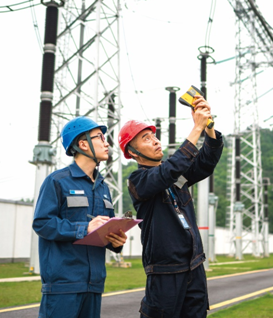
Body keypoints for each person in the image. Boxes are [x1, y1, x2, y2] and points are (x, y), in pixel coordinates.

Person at [118, 96, 223, 317]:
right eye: (146, 139)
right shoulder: (138, 181)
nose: (156, 141)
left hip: (194, 266)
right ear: (134, 153)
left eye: (154, 136)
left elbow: (205, 163)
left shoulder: (175, 175)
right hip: (165, 271)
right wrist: (196, 128)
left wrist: (209, 127)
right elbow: (168, 171)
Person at [33, 116, 127, 318]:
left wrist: (115, 242)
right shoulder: (57, 181)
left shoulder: (103, 187)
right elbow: (42, 223)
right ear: (83, 144)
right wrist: (84, 228)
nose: (106, 142)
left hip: (94, 284)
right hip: (63, 285)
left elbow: (102, 231)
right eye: (100, 137)